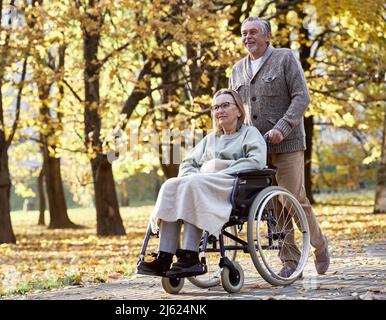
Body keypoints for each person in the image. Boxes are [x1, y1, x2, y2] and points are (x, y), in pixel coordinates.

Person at [228, 16, 330, 276]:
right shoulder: (237, 70)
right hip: (256, 149)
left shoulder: (285, 58)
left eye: (253, 32)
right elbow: (235, 109)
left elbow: (301, 97)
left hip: (287, 144)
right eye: (244, 33)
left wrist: (282, 128)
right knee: (273, 204)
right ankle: (290, 261)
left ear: (267, 36)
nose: (247, 37)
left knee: (293, 198)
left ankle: (319, 245)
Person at [137, 88, 267, 277]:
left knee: (195, 185)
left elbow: (256, 161)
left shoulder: (250, 134)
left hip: (232, 185)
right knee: (171, 186)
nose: (219, 110)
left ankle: (190, 255)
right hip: (203, 183)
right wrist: (201, 173)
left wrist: (221, 168)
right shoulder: (210, 139)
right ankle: (164, 256)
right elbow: (188, 164)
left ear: (239, 110)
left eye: (225, 105)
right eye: (215, 107)